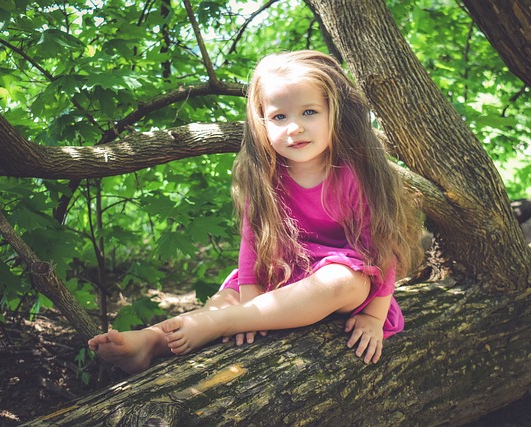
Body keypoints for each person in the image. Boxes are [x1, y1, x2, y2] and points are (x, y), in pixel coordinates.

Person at [88, 50, 422, 374]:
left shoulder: (353, 173)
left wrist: (375, 317)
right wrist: (249, 302)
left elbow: (383, 246)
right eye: (280, 116)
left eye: (309, 112)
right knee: (222, 301)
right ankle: (151, 341)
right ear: (261, 122)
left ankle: (226, 321)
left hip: (345, 282)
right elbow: (253, 245)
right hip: (280, 274)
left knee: (338, 280)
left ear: (334, 111)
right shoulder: (265, 177)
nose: (294, 128)